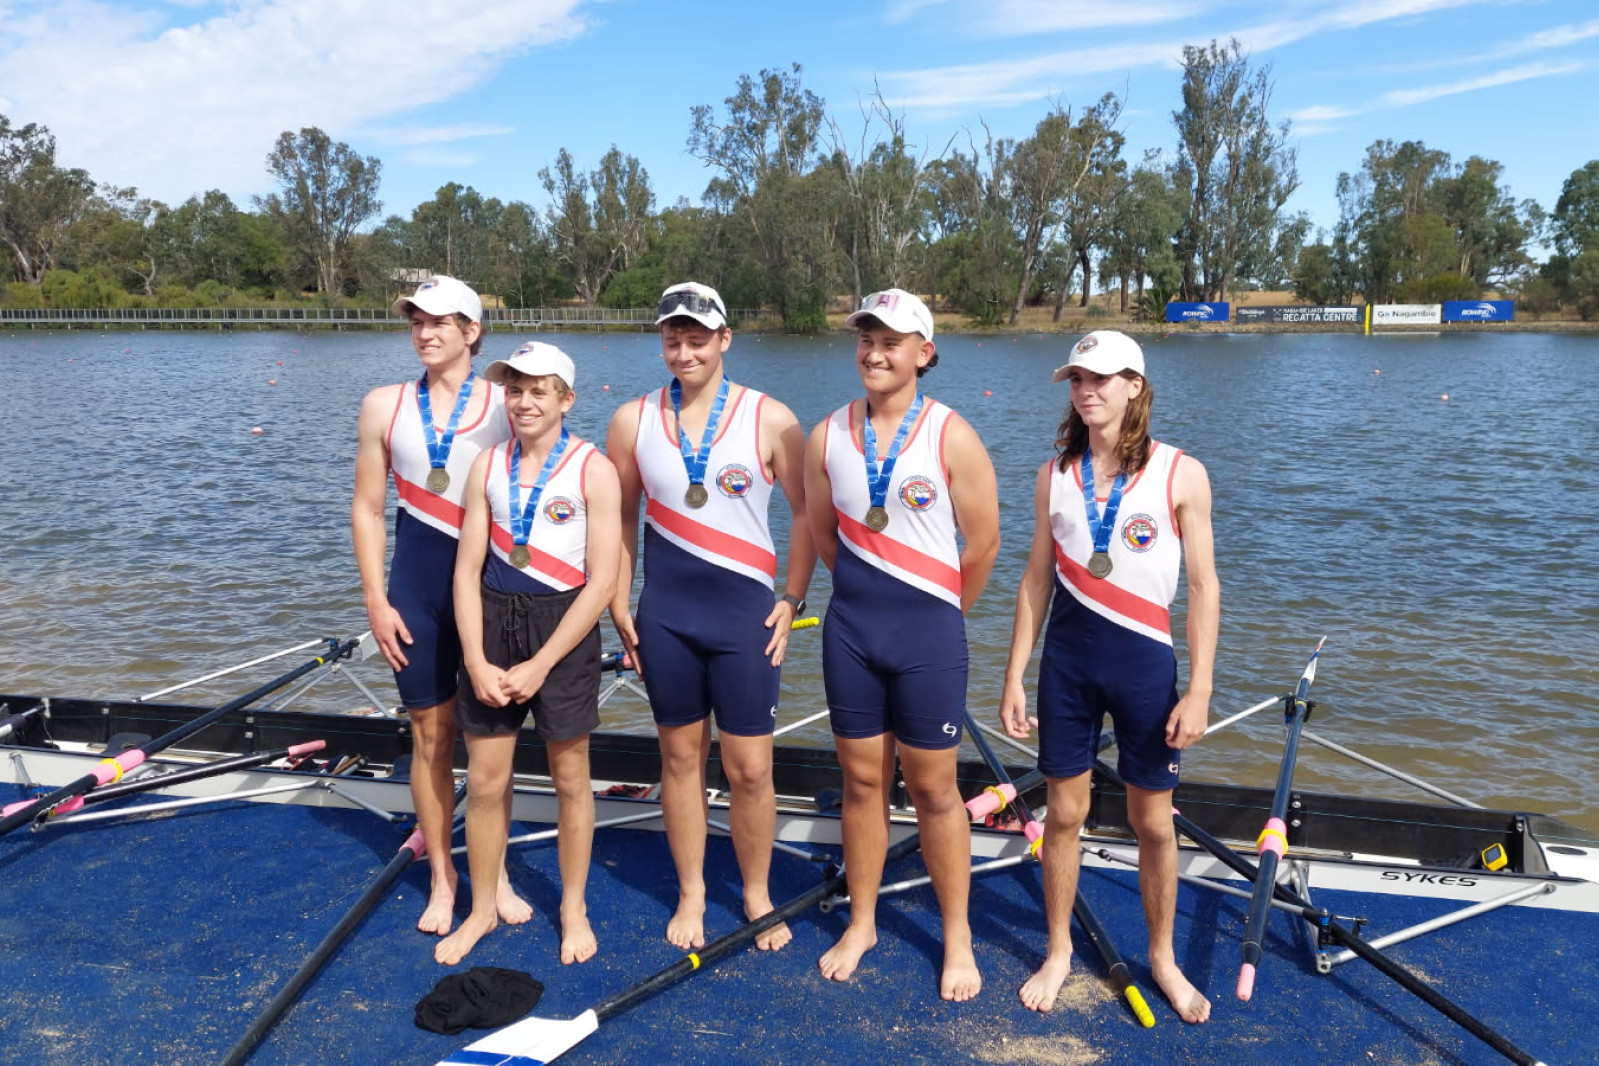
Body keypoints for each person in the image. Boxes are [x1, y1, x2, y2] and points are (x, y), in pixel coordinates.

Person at [998, 329, 1218, 1023]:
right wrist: (1013, 676)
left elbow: (1205, 588)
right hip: (1067, 665)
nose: (1086, 390)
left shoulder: (1180, 471)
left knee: (1152, 823)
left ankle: (1161, 958)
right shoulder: (1052, 475)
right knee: (1062, 814)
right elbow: (1034, 580)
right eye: (1076, 379)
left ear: (1134, 387)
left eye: (1101, 378)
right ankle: (1058, 950)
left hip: (1145, 666)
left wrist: (1201, 688)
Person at [606, 282, 816, 952]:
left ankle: (755, 892)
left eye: (697, 337)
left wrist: (791, 597)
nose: (683, 349)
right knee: (678, 758)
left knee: (751, 769)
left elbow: (809, 515)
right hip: (664, 614)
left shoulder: (771, 418)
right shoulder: (631, 421)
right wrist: (616, 599)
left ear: (725, 339)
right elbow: (617, 519)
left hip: (745, 619)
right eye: (672, 337)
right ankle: (693, 889)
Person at [803, 288, 999, 1002]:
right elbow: (825, 539)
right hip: (851, 631)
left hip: (928, 637)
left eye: (890, 342)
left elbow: (982, 546)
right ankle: (861, 922)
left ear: (924, 352)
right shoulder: (826, 434)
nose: (874, 353)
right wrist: (870, 600)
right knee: (861, 785)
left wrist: (938, 616)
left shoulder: (951, 434)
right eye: (865, 340)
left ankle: (956, 936)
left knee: (934, 791)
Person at [435, 342, 621, 967]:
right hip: (492, 621)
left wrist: (541, 664)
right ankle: (483, 908)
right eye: (514, 390)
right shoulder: (487, 464)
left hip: (561, 630)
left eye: (538, 390)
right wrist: (476, 660)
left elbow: (601, 582)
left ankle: (573, 907)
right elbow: (465, 572)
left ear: (567, 400)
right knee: (486, 783)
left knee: (571, 781)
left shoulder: (594, 469)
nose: (523, 402)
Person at [352, 275, 520, 936]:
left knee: (491, 743)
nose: (425, 332)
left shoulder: (511, 403)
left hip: (491, 590)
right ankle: (444, 879)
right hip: (415, 589)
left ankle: (495, 873)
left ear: (472, 332)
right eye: (416, 321)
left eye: (440, 322)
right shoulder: (382, 405)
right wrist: (375, 598)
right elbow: (367, 508)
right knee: (430, 737)